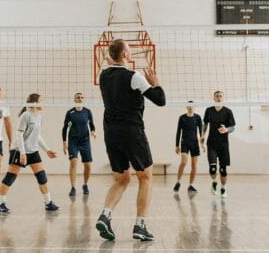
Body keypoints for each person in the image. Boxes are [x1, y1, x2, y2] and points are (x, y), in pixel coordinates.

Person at [94, 39, 166, 241]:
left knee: (122, 178)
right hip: (131, 131)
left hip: (111, 132)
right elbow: (160, 100)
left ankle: (105, 215)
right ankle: (140, 225)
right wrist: (156, 82)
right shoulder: (134, 76)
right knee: (146, 177)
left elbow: (113, 66)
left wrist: (114, 59)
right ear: (124, 55)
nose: (131, 52)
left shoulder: (104, 76)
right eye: (129, 50)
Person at [0, 93, 59, 213]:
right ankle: (1, 204)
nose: (42, 103)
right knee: (10, 178)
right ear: (34, 103)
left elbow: (37, 135)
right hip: (19, 150)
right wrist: (22, 153)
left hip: (33, 151)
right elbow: (19, 134)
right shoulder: (25, 115)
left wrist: (47, 150)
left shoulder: (39, 116)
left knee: (42, 177)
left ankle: (48, 203)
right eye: (40, 101)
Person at [62, 92, 97, 197]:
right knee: (73, 162)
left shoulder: (87, 111)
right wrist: (64, 143)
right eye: (78, 97)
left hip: (85, 141)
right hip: (73, 141)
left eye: (82, 97)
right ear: (74, 99)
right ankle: (73, 187)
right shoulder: (70, 112)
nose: (80, 99)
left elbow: (91, 124)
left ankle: (85, 184)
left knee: (88, 165)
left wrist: (93, 131)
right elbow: (64, 128)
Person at [203, 91, 235, 198]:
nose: (219, 98)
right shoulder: (209, 110)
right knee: (212, 169)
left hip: (223, 145)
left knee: (223, 170)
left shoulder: (228, 111)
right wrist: (202, 135)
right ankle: (214, 182)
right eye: (217, 96)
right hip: (211, 144)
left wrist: (226, 129)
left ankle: (223, 189)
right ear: (214, 98)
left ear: (223, 98)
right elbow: (205, 123)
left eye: (221, 96)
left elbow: (232, 128)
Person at [173, 101, 205, 194]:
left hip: (194, 143)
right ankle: (178, 182)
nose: (190, 107)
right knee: (183, 162)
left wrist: (202, 144)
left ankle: (191, 185)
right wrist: (176, 145)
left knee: (194, 165)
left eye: (192, 106)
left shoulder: (197, 117)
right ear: (186, 107)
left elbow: (201, 132)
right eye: (189, 106)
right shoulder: (182, 117)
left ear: (194, 107)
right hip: (185, 143)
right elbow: (178, 131)